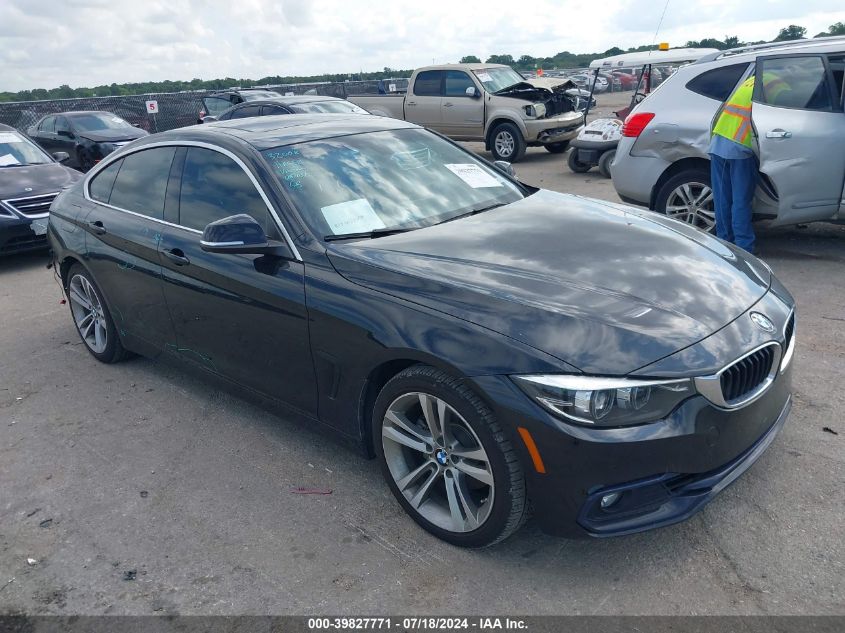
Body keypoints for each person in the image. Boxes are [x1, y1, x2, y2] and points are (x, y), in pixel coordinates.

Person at [708, 73, 788, 254]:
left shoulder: (753, 78)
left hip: (719, 142)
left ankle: (724, 246)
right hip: (740, 148)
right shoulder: (778, 85)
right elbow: (779, 116)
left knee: (723, 200)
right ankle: (744, 248)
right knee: (741, 201)